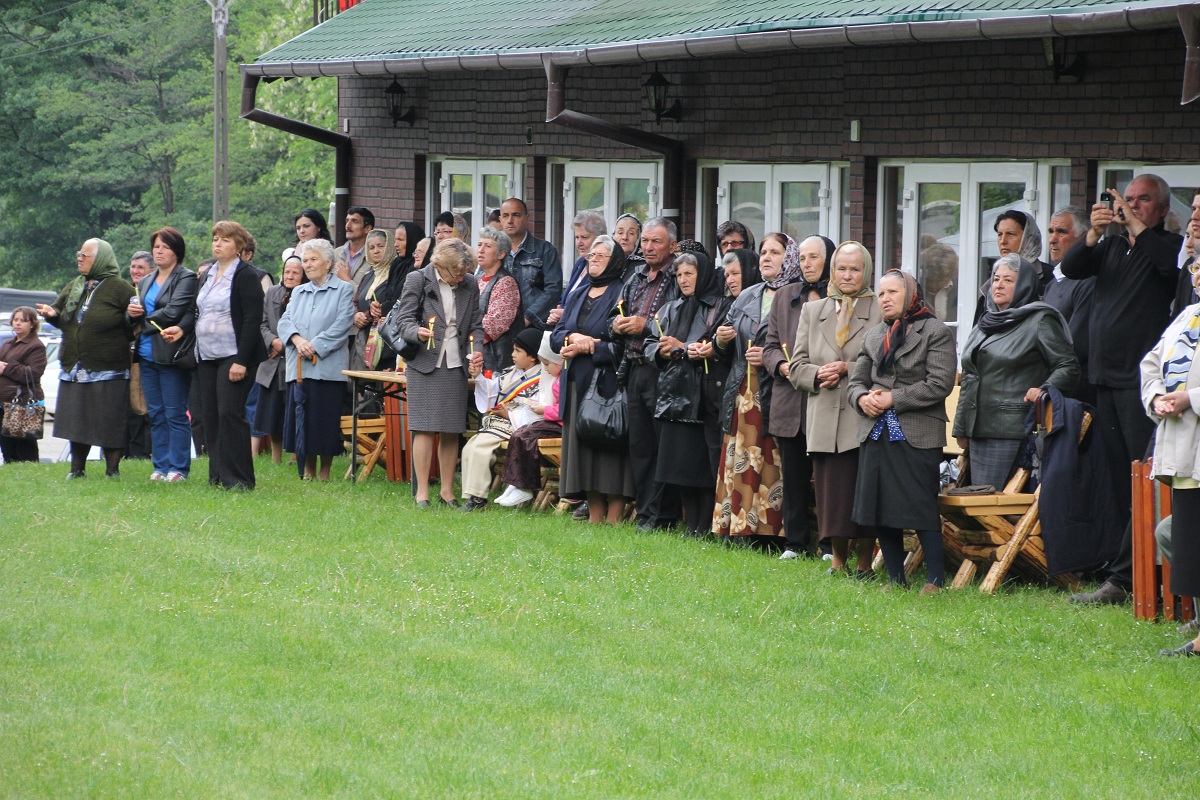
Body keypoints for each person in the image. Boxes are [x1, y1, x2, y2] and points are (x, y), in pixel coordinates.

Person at [1062, 175, 1183, 605]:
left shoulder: (1172, 247)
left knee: (1141, 477)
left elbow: (1170, 269)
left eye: (1142, 200)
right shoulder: (1110, 247)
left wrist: (1134, 226)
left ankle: (1135, 575)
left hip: (1140, 385)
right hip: (1102, 377)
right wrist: (1094, 233)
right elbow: (1071, 268)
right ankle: (1118, 573)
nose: (1130, 207)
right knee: (1115, 480)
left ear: (1163, 208)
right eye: (1126, 200)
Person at [847, 270, 956, 592]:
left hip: (917, 431)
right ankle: (896, 579)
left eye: (892, 292)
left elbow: (940, 384)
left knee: (920, 505)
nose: (885, 298)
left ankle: (935, 580)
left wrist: (895, 398)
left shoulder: (935, 331)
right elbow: (855, 382)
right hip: (875, 430)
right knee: (879, 507)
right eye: (881, 293)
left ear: (910, 295)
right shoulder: (873, 335)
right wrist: (862, 399)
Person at [789, 241, 883, 576]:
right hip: (825, 417)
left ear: (866, 272)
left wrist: (849, 367)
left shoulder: (880, 310)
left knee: (864, 491)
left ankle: (863, 563)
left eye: (855, 269)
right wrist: (817, 374)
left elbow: (886, 365)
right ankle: (837, 560)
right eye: (841, 268)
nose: (847, 275)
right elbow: (796, 364)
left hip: (863, 417)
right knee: (831, 495)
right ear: (832, 271)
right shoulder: (813, 311)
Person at [953, 255, 1079, 489]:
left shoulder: (1040, 319)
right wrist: (962, 428)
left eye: (1008, 280)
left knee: (993, 507)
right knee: (978, 506)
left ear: (1024, 285)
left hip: (1011, 429)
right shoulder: (986, 321)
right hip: (978, 429)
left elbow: (1068, 365)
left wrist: (1044, 390)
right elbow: (970, 376)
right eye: (996, 279)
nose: (998, 285)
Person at [170, 221, 266, 490]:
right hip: (206, 355)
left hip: (234, 356)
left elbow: (251, 321)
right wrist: (180, 328)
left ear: (238, 246)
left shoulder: (245, 275)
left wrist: (241, 361)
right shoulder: (208, 274)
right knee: (210, 416)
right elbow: (194, 310)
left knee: (229, 414)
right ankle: (218, 476)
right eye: (215, 239)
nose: (217, 244)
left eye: (224, 239)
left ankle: (240, 479)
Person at [392, 238, 485, 507]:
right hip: (424, 362)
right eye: (455, 273)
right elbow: (403, 320)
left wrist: (477, 350)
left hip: (455, 364)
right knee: (423, 427)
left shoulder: (470, 283)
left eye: (463, 273)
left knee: (451, 429)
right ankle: (422, 491)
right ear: (440, 265)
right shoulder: (417, 279)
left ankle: (447, 491)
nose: (459, 278)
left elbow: (476, 325)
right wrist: (417, 333)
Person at [551, 235, 633, 524]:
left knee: (609, 453)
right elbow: (556, 335)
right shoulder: (578, 293)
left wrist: (593, 346)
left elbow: (626, 346)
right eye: (591, 256)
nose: (593, 260)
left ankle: (614, 517)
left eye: (600, 256)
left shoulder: (623, 293)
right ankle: (594, 516)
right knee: (583, 452)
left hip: (608, 385)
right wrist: (572, 336)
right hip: (576, 382)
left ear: (615, 261)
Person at [36, 239, 135, 478]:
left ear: (100, 259)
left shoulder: (121, 288)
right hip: (74, 366)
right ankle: (77, 469)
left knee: (109, 420)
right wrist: (51, 315)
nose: (79, 257)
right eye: (79, 253)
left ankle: (112, 470)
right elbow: (62, 318)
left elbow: (134, 323)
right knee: (77, 421)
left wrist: (130, 316)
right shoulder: (75, 285)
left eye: (85, 255)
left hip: (108, 366)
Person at [711, 240, 788, 545]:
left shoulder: (796, 295)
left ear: (789, 258)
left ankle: (769, 534)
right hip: (742, 388)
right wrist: (720, 340)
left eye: (776, 253)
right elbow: (721, 349)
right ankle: (737, 529)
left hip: (774, 389)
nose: (767, 258)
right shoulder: (747, 295)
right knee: (740, 456)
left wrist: (769, 357)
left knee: (769, 459)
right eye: (765, 252)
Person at [1144, 262, 1200, 656]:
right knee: (1189, 536)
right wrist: (1157, 396)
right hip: (1184, 447)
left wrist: (1191, 398)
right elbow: (1150, 362)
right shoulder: (1188, 316)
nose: (1197, 272)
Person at [764, 234, 832, 559]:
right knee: (793, 476)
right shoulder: (784, 296)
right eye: (803, 258)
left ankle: (830, 545)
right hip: (789, 398)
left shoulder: (838, 297)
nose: (807, 264)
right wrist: (780, 366)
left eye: (814, 257)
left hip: (827, 397)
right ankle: (795, 543)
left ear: (828, 259)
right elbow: (769, 345)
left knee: (828, 478)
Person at [646, 252, 724, 537]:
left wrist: (683, 346)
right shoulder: (671, 308)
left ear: (702, 274)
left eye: (689, 273)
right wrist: (660, 350)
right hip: (672, 395)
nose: (683, 280)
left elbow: (713, 345)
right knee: (677, 466)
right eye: (679, 275)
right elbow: (649, 342)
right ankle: (691, 525)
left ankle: (704, 525)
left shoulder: (717, 306)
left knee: (700, 467)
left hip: (701, 396)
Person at [613, 217, 681, 529]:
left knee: (662, 446)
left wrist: (647, 325)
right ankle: (644, 512)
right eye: (646, 242)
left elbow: (684, 321)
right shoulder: (635, 276)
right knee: (639, 446)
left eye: (656, 242)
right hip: (634, 368)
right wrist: (616, 324)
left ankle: (662, 514)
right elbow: (617, 312)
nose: (649, 247)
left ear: (673, 246)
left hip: (663, 370)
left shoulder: (679, 277)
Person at [278, 238, 355, 481]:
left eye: (313, 260)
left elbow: (342, 324)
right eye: (305, 260)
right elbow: (284, 321)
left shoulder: (343, 289)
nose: (308, 265)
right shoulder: (298, 291)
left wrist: (315, 346)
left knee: (324, 420)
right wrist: (297, 340)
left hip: (328, 368)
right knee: (303, 420)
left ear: (328, 262)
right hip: (299, 367)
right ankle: (307, 470)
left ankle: (325, 471)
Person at [126, 227, 198, 482]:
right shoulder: (145, 280)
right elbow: (133, 315)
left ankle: (179, 468)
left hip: (171, 354)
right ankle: (161, 465)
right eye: (156, 246)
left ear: (176, 251)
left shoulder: (186, 277)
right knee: (155, 412)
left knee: (175, 412)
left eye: (165, 247)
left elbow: (174, 311)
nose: (159, 251)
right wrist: (130, 314)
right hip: (145, 354)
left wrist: (141, 318)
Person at [460, 327, 544, 510]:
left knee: (480, 448)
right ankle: (473, 497)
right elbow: (493, 390)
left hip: (515, 425)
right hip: (499, 423)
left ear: (532, 357)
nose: (512, 354)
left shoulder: (542, 379)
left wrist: (509, 415)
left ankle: (478, 499)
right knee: (470, 447)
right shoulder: (510, 371)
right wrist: (478, 376)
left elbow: (538, 410)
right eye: (513, 349)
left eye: (518, 351)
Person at [496, 332, 564, 507]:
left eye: (547, 364)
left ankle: (523, 487)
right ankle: (515, 483)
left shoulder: (565, 380)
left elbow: (566, 409)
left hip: (561, 425)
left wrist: (544, 409)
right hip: (553, 421)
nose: (545, 368)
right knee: (520, 434)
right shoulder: (555, 378)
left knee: (525, 437)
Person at [254, 252, 306, 463]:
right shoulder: (272, 292)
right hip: (271, 362)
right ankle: (276, 458)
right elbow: (262, 323)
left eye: (295, 272)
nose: (290, 276)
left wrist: (284, 345)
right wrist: (272, 341)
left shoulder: (305, 295)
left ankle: (294, 456)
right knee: (272, 414)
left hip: (294, 360)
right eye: (287, 271)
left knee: (293, 411)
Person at [1043, 206, 1094, 401]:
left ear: (1083, 238)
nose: (1052, 239)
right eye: (1050, 231)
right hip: (1054, 383)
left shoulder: (1087, 281)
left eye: (1061, 232)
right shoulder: (1053, 282)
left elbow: (1076, 344)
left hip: (1076, 390)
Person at [500, 197, 562, 330]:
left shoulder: (545, 250)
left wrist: (527, 318)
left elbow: (553, 290)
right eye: (505, 216)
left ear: (527, 217)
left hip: (535, 327)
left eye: (516, 215)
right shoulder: (493, 251)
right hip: (499, 329)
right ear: (500, 219)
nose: (510, 221)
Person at [0, 307, 48, 463]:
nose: (18, 324)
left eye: (23, 321)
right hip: (4, 402)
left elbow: (32, 374)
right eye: (16, 320)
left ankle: (30, 478)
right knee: (7, 447)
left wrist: (6, 367)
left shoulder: (36, 346)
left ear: (32, 324)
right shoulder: (8, 343)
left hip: (23, 403)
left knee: (25, 449)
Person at [475, 226, 523, 372]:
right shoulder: (474, 279)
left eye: (487, 246)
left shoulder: (506, 282)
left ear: (501, 254)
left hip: (495, 361)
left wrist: (466, 342)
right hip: (473, 355)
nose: (481, 250)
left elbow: (494, 326)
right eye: (479, 245)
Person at [350, 229, 397, 370]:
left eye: (380, 246)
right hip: (366, 341)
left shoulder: (395, 274)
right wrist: (356, 315)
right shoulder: (368, 275)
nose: (376, 251)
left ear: (389, 247)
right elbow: (357, 302)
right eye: (371, 247)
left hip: (387, 343)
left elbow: (393, 304)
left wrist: (369, 314)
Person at [550, 210, 606, 326]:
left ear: (600, 239)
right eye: (576, 237)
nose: (579, 243)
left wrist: (565, 314)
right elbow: (565, 299)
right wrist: (557, 312)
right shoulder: (580, 263)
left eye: (584, 237)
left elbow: (595, 309)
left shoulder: (603, 268)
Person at [125, 250, 155, 459]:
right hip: (126, 357)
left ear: (151, 271)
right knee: (129, 406)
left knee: (145, 406)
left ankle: (145, 452)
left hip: (149, 354)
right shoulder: (126, 292)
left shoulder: (154, 292)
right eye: (133, 267)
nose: (136, 271)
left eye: (141, 267)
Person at [334, 205, 375, 285]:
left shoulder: (374, 257)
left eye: (354, 221)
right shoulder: (335, 253)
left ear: (367, 228)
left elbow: (368, 295)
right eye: (347, 221)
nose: (348, 226)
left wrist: (346, 280)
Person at [612, 213, 645, 278]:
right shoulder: (606, 261)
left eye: (631, 233)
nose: (625, 237)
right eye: (620, 233)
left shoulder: (644, 267)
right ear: (613, 235)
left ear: (639, 238)